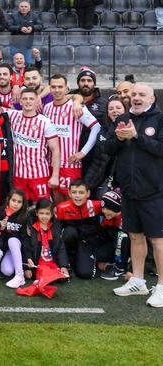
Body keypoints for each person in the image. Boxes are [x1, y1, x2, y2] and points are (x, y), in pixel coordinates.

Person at [106, 83, 163, 307]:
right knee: (136, 236)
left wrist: (137, 136)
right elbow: (107, 149)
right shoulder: (122, 119)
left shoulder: (159, 120)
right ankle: (138, 281)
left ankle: (161, 286)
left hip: (154, 191)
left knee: (158, 240)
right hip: (128, 191)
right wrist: (119, 139)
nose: (136, 98)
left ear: (152, 99)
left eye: (142, 95)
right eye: (134, 95)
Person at [43, 74, 100, 203]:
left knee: (72, 203)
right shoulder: (47, 108)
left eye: (60, 87)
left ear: (67, 89)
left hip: (71, 164)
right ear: (50, 89)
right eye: (53, 87)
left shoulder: (75, 107)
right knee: (57, 204)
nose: (57, 90)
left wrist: (83, 152)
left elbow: (96, 127)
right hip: (51, 164)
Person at [7, 88, 60, 203]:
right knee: (19, 208)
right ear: (20, 102)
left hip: (39, 174)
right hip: (18, 175)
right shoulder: (13, 115)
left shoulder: (45, 122)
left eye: (31, 99)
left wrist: (55, 175)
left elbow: (55, 149)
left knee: (42, 208)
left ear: (37, 101)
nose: (28, 101)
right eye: (25, 99)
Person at [55, 180, 103, 279]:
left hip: (88, 244)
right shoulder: (61, 208)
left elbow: (116, 208)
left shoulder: (97, 205)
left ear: (88, 193)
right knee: (69, 231)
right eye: (74, 192)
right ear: (69, 193)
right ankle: (68, 260)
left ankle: (84, 260)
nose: (77, 196)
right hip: (71, 243)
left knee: (85, 274)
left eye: (81, 192)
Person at [85, 96, 126, 198]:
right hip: (103, 180)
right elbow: (98, 160)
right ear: (107, 112)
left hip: (124, 181)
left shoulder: (133, 128)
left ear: (125, 109)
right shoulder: (102, 130)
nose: (115, 111)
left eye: (118, 108)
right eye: (111, 109)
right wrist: (87, 183)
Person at [25, 199, 70, 281]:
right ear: (36, 213)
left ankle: (54, 273)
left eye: (47, 213)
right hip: (37, 264)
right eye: (41, 213)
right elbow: (27, 247)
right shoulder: (31, 227)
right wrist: (27, 267)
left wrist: (63, 266)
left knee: (62, 278)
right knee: (43, 277)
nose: (44, 216)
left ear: (52, 214)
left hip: (52, 263)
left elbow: (60, 247)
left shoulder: (55, 227)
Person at [0, 189, 30, 288]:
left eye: (19, 202)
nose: (16, 204)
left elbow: (25, 240)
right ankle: (17, 269)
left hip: (17, 246)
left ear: (23, 204)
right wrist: (1, 228)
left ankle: (20, 275)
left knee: (12, 240)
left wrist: (26, 264)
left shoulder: (25, 217)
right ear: (8, 200)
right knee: (7, 271)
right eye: (13, 200)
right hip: (5, 249)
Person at [97, 190, 131, 281]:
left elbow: (140, 242)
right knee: (99, 254)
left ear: (116, 207)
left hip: (131, 249)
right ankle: (113, 263)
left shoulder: (128, 218)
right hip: (115, 245)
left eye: (108, 208)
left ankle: (120, 268)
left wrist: (132, 269)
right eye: (103, 208)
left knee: (121, 236)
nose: (104, 211)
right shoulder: (106, 217)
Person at [7, 1, 41, 65]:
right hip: (15, 44)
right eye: (22, 6)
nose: (23, 8)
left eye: (25, 7)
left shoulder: (34, 16)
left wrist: (32, 28)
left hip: (28, 45)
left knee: (28, 63)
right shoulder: (13, 15)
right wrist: (20, 28)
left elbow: (41, 26)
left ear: (29, 8)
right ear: (19, 8)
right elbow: (9, 26)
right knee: (14, 64)